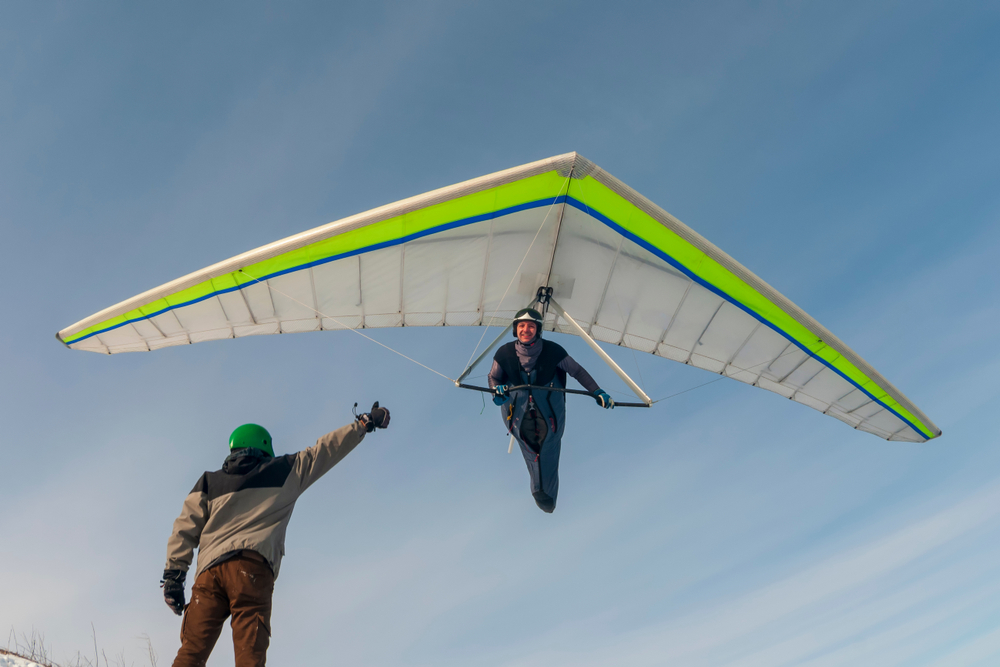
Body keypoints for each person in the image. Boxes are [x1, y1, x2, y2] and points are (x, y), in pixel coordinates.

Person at [160, 403, 390, 667]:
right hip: (251, 571)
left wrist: (173, 577)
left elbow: (185, 527)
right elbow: (325, 451)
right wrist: (364, 424)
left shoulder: (209, 482)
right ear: (265, 449)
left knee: (191, 652)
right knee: (250, 656)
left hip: (209, 576)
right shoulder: (284, 470)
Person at [488, 308, 613, 513]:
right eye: (521, 326)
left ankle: (546, 494)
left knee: (548, 447)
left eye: (530, 326)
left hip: (549, 413)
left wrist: (597, 391)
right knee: (529, 447)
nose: (525, 329)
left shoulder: (553, 351)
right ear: (515, 329)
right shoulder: (504, 353)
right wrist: (496, 391)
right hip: (517, 413)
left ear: (537, 330)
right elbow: (493, 376)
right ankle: (540, 490)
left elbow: (577, 371)